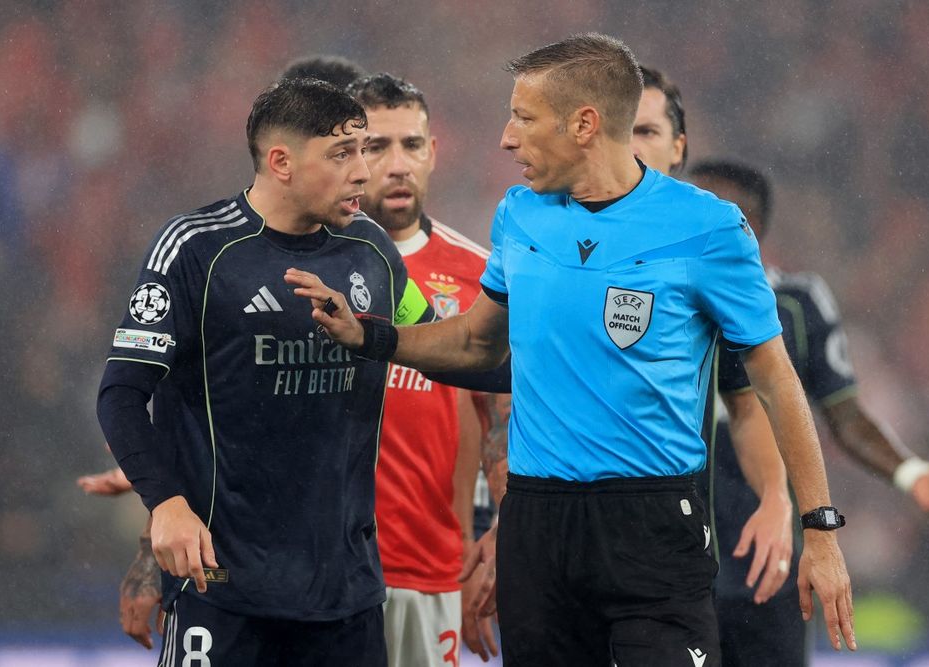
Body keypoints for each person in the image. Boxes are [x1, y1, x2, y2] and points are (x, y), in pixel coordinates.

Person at [285, 33, 856, 667]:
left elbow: (775, 381)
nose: (506, 137)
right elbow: (476, 341)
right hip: (539, 521)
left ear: (584, 124)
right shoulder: (521, 215)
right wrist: (371, 337)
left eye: (524, 118)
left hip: (653, 521)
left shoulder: (708, 228)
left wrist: (819, 526)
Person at [96, 77, 437, 666]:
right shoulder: (195, 249)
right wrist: (166, 505)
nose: (364, 171)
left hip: (346, 592)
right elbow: (122, 395)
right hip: (222, 590)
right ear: (280, 161)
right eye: (342, 153)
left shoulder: (373, 250)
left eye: (364, 150)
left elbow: (434, 343)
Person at [686, 159, 929, 666]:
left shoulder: (797, 304)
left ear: (746, 227)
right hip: (672, 557)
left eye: (701, 208)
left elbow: (844, 416)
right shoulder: (652, 298)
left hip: (773, 560)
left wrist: (910, 473)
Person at [345, 72, 499, 666]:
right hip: (322, 571)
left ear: (433, 153)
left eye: (411, 145)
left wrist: (493, 540)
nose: (397, 163)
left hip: (432, 571)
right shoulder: (307, 263)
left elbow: (506, 421)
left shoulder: (482, 275)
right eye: (377, 146)